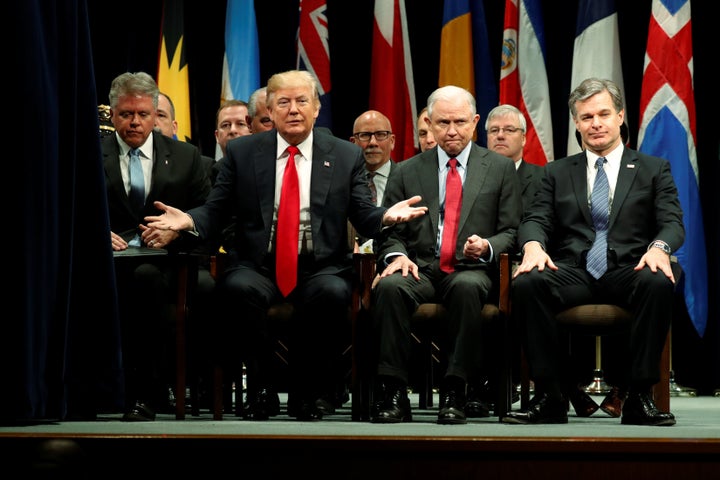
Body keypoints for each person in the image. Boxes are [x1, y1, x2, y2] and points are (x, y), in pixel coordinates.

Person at [144, 69, 427, 421]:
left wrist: (386, 217)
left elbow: (364, 215)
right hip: (259, 264)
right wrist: (188, 220)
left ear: (316, 108)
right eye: (284, 103)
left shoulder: (343, 155)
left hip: (320, 265)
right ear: (271, 110)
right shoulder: (244, 152)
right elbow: (216, 209)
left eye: (301, 101)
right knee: (236, 287)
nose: (293, 110)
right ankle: (262, 387)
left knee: (332, 293)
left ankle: (308, 390)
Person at [502, 77, 684, 426]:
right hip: (575, 270)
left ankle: (639, 396)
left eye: (603, 114)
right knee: (527, 282)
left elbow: (672, 222)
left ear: (619, 116)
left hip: (629, 268)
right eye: (586, 117)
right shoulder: (556, 172)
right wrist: (534, 246)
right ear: (577, 123)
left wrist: (660, 248)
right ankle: (550, 396)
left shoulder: (651, 169)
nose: (595, 123)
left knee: (659, 281)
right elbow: (534, 218)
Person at [370, 85, 522, 425]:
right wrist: (395, 255)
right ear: (429, 122)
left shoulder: (498, 168)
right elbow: (389, 229)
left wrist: (487, 246)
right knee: (390, 288)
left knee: (468, 288)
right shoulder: (406, 170)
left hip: (470, 267)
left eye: (459, 122)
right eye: (442, 123)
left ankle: (455, 388)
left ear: (475, 122)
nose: (451, 131)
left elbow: (512, 230)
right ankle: (394, 390)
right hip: (420, 267)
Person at [103, 71, 211, 421]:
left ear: (155, 113)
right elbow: (65, 207)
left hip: (168, 264)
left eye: (143, 114)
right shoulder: (89, 153)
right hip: (105, 265)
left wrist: (178, 229)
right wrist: (96, 233)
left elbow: (207, 213)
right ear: (112, 114)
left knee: (146, 278)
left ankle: (146, 393)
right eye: (126, 114)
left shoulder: (185, 156)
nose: (134, 122)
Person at [349, 110, 398, 252]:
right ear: (352, 142)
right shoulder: (341, 181)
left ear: (392, 141)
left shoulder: (409, 178)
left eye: (381, 135)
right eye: (365, 135)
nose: (373, 142)